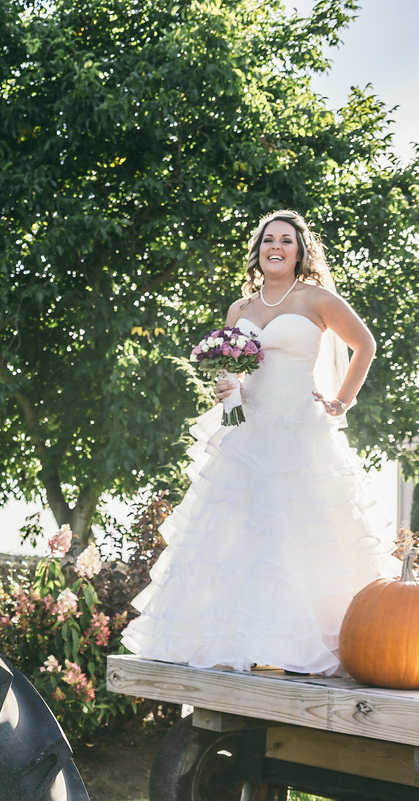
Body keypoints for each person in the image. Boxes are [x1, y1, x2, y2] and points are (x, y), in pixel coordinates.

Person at [121, 210, 397, 675]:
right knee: (236, 534)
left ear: (299, 250)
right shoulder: (241, 309)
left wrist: (342, 401)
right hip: (246, 429)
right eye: (269, 239)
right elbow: (236, 368)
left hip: (296, 430)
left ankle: (295, 651)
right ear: (258, 249)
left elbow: (364, 344)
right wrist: (227, 388)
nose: (276, 246)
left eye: (287, 240)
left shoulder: (316, 299)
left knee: (294, 534)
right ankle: (236, 647)